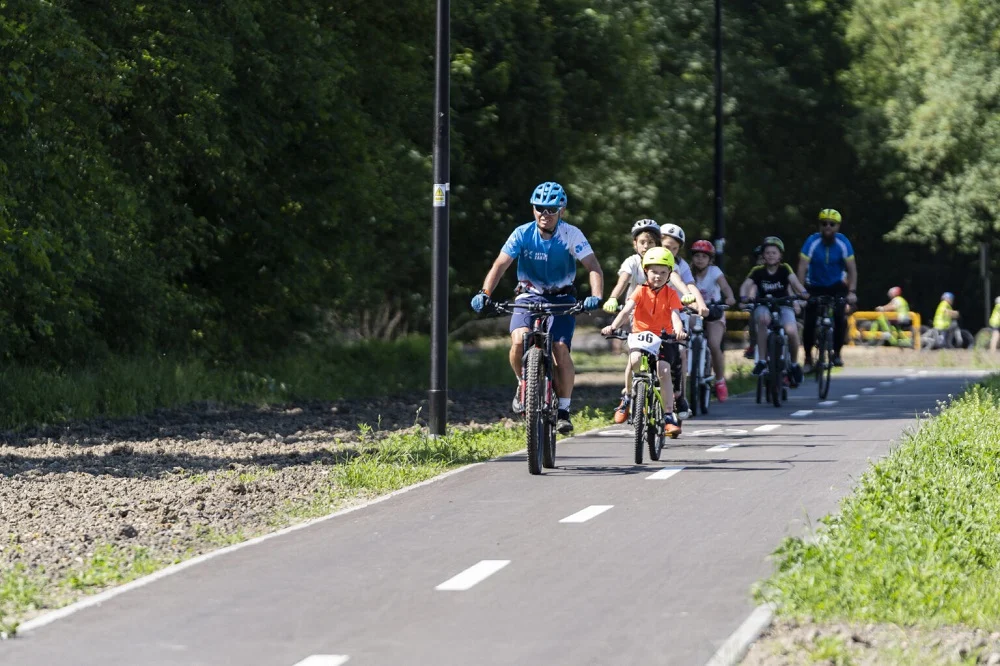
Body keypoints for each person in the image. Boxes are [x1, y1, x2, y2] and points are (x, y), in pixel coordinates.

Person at [470, 181, 603, 434]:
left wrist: (595, 296)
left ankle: (563, 408)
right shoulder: (521, 233)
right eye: (540, 208)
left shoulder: (571, 234)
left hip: (562, 298)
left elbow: (593, 267)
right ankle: (524, 385)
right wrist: (484, 293)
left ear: (561, 211)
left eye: (552, 209)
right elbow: (500, 265)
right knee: (518, 341)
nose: (545, 214)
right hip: (527, 296)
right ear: (533, 209)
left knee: (560, 349)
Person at [604, 219, 698, 423]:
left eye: (651, 242)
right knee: (634, 357)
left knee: (677, 354)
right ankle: (627, 396)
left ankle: (678, 397)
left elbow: (676, 281)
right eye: (642, 242)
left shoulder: (664, 262)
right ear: (635, 244)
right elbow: (622, 284)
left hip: (664, 317)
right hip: (639, 316)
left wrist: (687, 295)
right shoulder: (633, 264)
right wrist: (612, 299)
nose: (646, 247)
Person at [739, 236, 808, 383]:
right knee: (763, 321)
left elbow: (795, 283)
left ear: (780, 255)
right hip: (764, 305)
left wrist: (803, 293)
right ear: (763, 255)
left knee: (791, 330)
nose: (771, 255)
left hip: (783, 305)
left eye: (774, 253)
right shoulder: (757, 271)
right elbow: (746, 285)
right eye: (768, 252)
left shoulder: (785, 269)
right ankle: (762, 361)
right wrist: (744, 297)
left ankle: (795, 364)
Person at [797, 208, 858, 372]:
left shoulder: (843, 242)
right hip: (814, 285)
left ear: (838, 226)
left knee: (840, 317)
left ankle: (837, 353)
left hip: (836, 285)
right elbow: (802, 268)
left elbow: (852, 269)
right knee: (809, 320)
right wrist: (801, 292)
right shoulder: (812, 241)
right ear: (820, 226)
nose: (828, 227)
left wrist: (851, 292)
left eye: (832, 224)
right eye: (824, 223)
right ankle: (808, 357)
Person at [660, 223, 708, 417]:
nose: (670, 251)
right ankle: (633, 394)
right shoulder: (648, 260)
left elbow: (689, 285)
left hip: (675, 312)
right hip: (651, 313)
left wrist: (700, 303)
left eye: (675, 248)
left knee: (681, 351)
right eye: (666, 246)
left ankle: (681, 396)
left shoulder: (681, 265)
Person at [689, 240, 737, 401]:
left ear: (710, 259)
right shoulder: (688, 272)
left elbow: (725, 287)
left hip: (714, 311)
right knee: (682, 341)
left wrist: (729, 297)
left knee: (714, 344)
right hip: (694, 311)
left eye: (704, 256)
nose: (700, 259)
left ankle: (720, 380)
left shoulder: (715, 271)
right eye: (697, 256)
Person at [743, 245, 765, 359]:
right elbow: (749, 288)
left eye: (763, 258)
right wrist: (746, 299)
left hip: (774, 304)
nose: (762, 261)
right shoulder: (755, 273)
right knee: (752, 320)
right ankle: (753, 344)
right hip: (758, 305)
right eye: (759, 258)